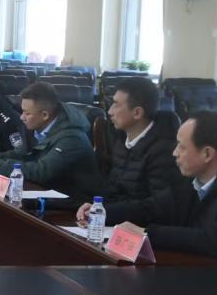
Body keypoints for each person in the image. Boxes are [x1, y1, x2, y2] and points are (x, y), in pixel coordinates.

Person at [94, 111, 217, 282]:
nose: (174, 153)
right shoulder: (195, 178)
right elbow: (152, 208)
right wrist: (102, 212)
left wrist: (146, 234)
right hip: (212, 273)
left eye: (182, 147)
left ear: (207, 154)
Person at [0, 81, 102, 203]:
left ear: (45, 115)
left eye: (27, 113)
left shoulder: (72, 138)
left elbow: (41, 171)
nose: (21, 117)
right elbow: (21, 153)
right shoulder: (37, 127)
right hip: (45, 192)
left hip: (75, 202)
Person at [75, 77, 184, 225]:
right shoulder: (121, 139)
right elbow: (114, 192)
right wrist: (95, 207)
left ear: (137, 113)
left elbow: (158, 208)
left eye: (116, 105)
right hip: (118, 222)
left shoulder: (164, 151)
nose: (110, 111)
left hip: (143, 229)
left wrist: (107, 213)